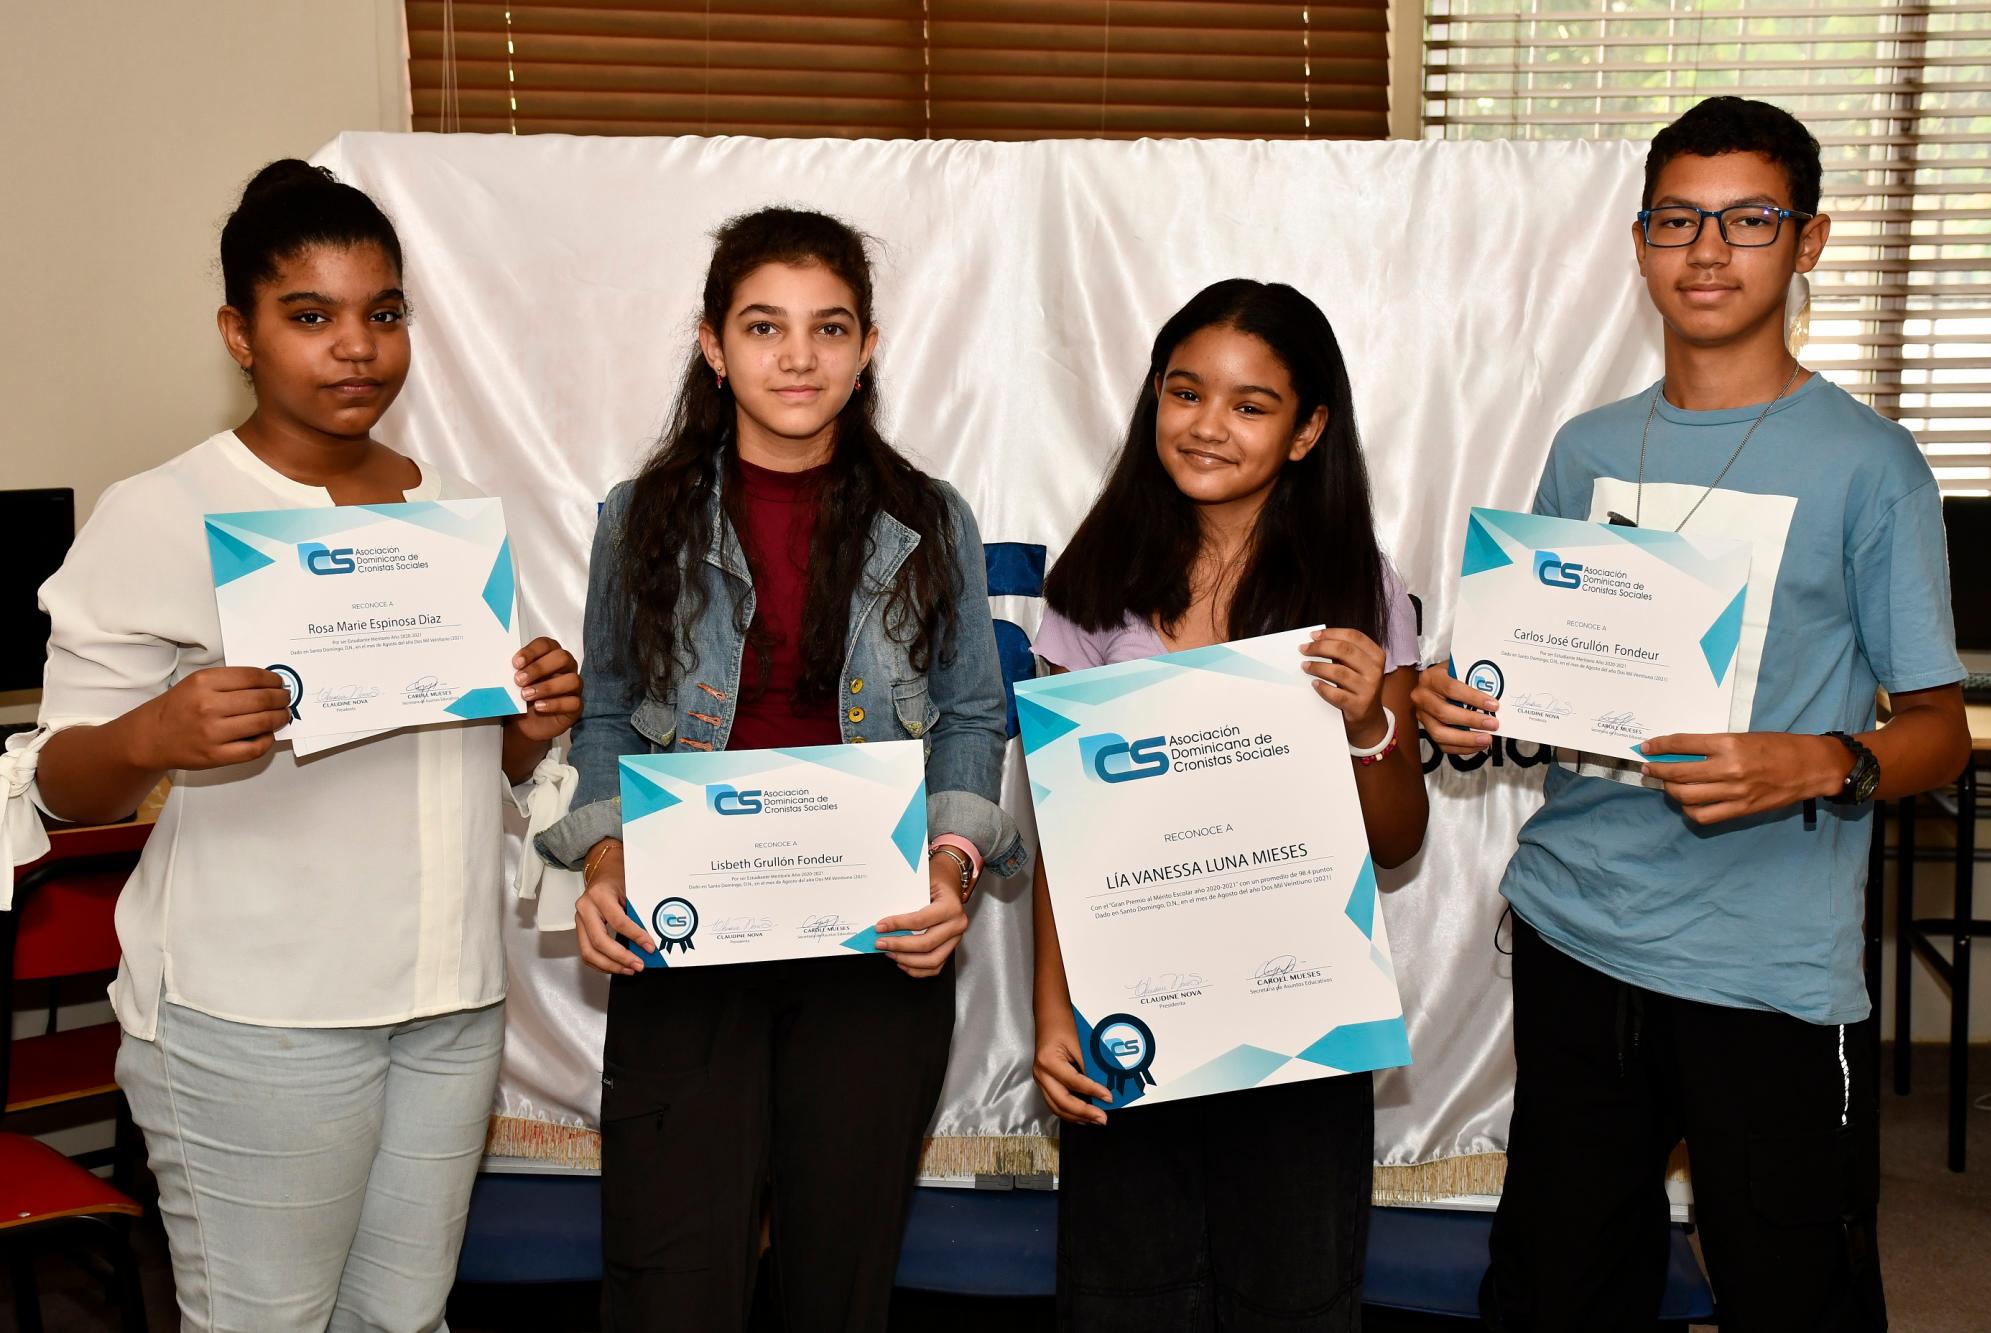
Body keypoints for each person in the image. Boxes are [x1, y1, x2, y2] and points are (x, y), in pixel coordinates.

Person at [1413, 97, 1970, 1332]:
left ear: (1806, 241)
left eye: (1746, 219)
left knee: (1787, 1290)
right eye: (1676, 219)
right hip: (1574, 929)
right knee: (1556, 1283)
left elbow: (1936, 725)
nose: (1706, 250)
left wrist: (1818, 759)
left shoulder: (1867, 463)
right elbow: (1545, 685)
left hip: (1762, 965)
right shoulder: (1586, 446)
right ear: (1638, 240)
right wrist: (1467, 705)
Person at [0, 160, 582, 1332]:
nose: (355, 347)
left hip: (448, 998)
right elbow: (59, 779)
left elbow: (475, 765)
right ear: (239, 332)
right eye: (309, 316)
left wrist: (527, 729)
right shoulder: (164, 511)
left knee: (404, 1322)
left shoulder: (452, 509)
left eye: (381, 314)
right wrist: (155, 732)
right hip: (254, 1013)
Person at [536, 206, 1024, 1332]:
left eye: (828, 328)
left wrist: (949, 871)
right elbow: (603, 709)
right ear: (713, 345)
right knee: (671, 1281)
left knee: (837, 1278)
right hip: (686, 930)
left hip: (872, 943)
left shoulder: (926, 517)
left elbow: (967, 712)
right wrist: (606, 860)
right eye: (764, 327)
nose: (796, 357)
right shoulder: (639, 515)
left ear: (866, 349)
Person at [1028, 279, 1428, 1330]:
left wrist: (1363, 727)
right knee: (1125, 1293)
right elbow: (1065, 829)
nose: (1207, 425)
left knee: (1292, 1291)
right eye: (1184, 391)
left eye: (1250, 405)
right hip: (1133, 1010)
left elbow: (1397, 840)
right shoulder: (1092, 585)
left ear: (1305, 433)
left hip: (1295, 1012)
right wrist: (1048, 1007)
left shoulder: (1358, 588)